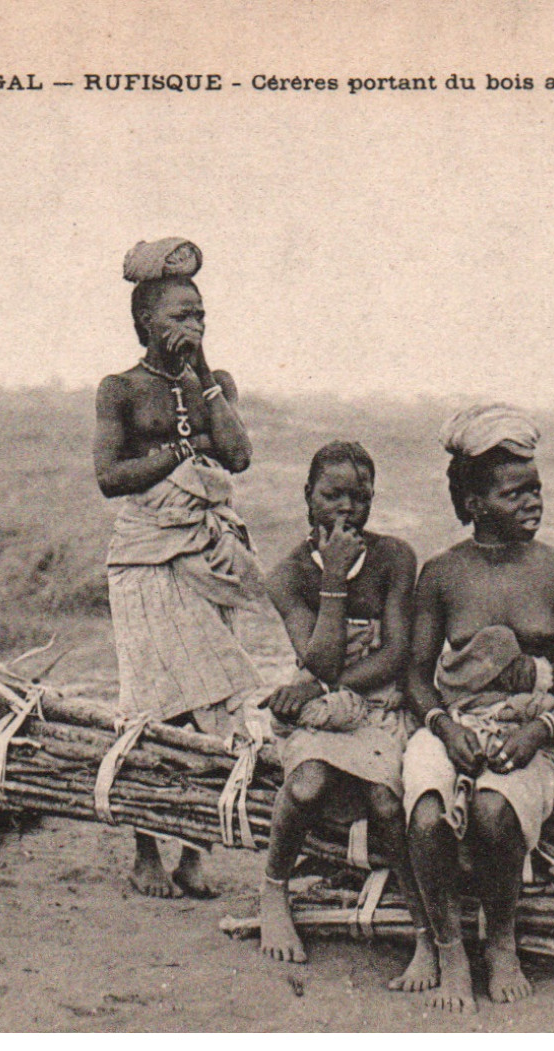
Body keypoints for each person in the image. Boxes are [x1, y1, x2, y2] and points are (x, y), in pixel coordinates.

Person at [403, 404, 554, 1012]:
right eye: (514, 492)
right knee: (426, 815)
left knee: (493, 813)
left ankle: (501, 941)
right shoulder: (442, 574)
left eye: (536, 489)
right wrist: (441, 727)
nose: (532, 502)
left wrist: (541, 731)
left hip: (531, 732)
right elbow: (415, 676)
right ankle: (449, 949)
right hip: (450, 726)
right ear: (472, 503)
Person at [93, 237, 261, 898]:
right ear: (144, 323)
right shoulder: (120, 390)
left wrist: (204, 378)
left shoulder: (214, 385)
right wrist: (176, 453)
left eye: (200, 317)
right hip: (143, 558)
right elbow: (109, 476)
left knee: (212, 705)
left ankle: (195, 849)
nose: (193, 326)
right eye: (180, 316)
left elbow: (239, 456)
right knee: (151, 703)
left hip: (204, 555)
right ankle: (144, 850)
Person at [256, 441, 437, 991]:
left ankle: (427, 935)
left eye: (360, 497)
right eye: (331, 494)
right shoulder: (287, 575)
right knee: (307, 785)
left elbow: (396, 654)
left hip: (381, 706)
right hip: (323, 711)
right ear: (306, 497)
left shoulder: (395, 558)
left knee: (387, 801)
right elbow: (320, 657)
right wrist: (333, 580)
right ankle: (273, 887)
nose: (346, 509)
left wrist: (316, 683)